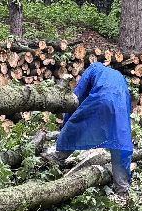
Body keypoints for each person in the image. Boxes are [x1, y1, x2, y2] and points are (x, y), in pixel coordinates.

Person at [49, 61, 133, 196]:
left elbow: (77, 96)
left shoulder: (93, 68)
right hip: (121, 108)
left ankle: (57, 157)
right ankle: (122, 190)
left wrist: (67, 122)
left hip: (101, 100)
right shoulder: (118, 75)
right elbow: (128, 100)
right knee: (119, 144)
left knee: (77, 128)